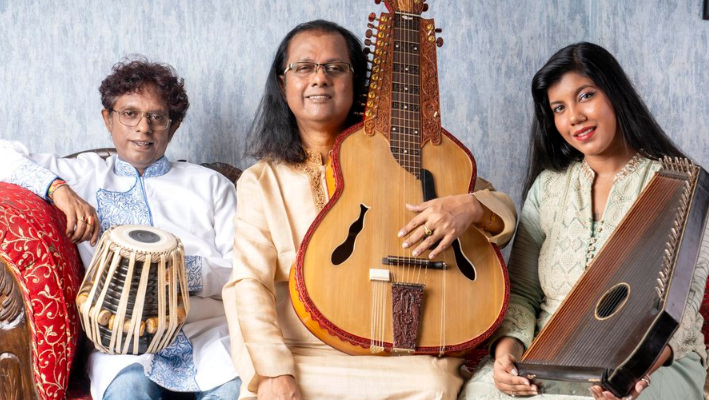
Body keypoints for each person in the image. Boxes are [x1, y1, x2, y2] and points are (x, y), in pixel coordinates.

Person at [222, 20, 517, 400]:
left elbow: (503, 210)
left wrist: (472, 205)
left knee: (434, 386)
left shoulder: (406, 156)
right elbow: (248, 284)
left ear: (358, 83)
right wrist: (274, 373)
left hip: (397, 353)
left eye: (335, 67)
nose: (320, 78)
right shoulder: (261, 181)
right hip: (303, 355)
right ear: (283, 84)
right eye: (304, 67)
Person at [0, 58, 241, 400]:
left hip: (208, 338)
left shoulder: (211, 185)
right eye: (129, 114)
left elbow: (242, 270)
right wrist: (58, 190)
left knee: (233, 391)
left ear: (174, 126)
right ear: (107, 118)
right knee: (129, 391)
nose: (143, 128)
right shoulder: (83, 176)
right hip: (122, 350)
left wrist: (171, 273)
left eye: (157, 117)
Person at [459, 42, 709, 400]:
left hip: (652, 359)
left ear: (616, 95)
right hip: (550, 354)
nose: (574, 117)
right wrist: (507, 357)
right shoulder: (547, 188)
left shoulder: (677, 185)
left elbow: (684, 307)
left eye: (586, 96)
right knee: (482, 391)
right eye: (559, 108)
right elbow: (523, 293)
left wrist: (633, 371)